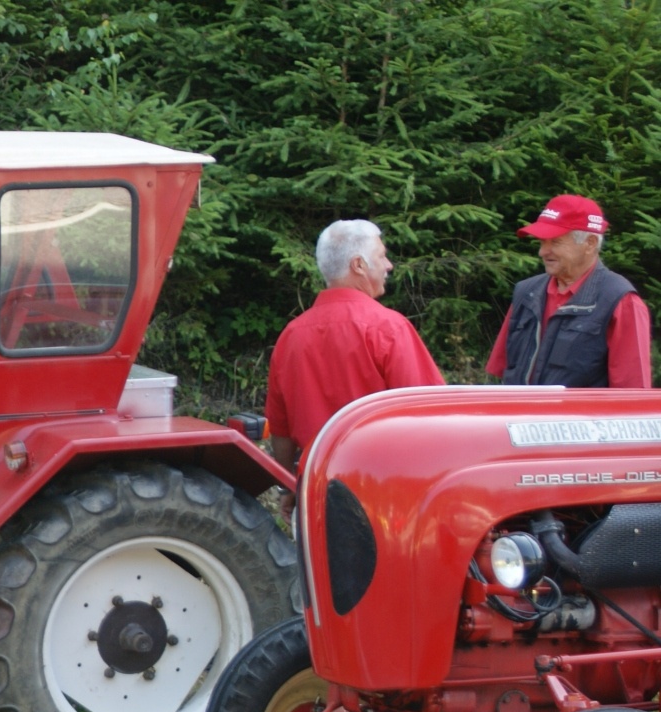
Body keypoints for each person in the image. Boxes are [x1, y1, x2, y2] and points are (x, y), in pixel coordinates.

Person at [264, 220, 445, 502]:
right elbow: (430, 415)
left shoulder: (291, 336)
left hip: (316, 491)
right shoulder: (388, 328)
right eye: (382, 256)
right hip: (381, 491)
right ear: (358, 265)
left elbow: (281, 429)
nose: (389, 265)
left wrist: (288, 487)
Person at [486, 195, 651, 388]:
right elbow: (501, 373)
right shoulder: (526, 293)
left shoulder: (620, 300)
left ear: (590, 243)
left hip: (581, 410)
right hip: (520, 408)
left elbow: (632, 393)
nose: (542, 252)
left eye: (555, 242)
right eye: (542, 242)